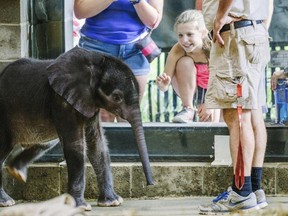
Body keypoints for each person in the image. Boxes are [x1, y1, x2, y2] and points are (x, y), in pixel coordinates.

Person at [199, 0, 274, 214]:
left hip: (235, 35)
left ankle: (241, 193)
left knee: (237, 116)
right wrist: (256, 27)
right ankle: (254, 189)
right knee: (251, 114)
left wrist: (220, 17)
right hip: (252, 32)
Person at [74, 0, 163, 122]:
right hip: (96, 47)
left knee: (127, 117)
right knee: (101, 119)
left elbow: (153, 21)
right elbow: (80, 11)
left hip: (134, 50)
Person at [156, 10, 220, 123]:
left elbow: (221, 80)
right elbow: (165, 84)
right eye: (180, 35)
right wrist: (163, 85)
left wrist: (210, 104)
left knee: (211, 120)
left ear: (203, 33)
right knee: (184, 62)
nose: (184, 40)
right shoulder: (177, 50)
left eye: (190, 34)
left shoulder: (213, 47)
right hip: (190, 90)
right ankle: (188, 108)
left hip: (214, 90)